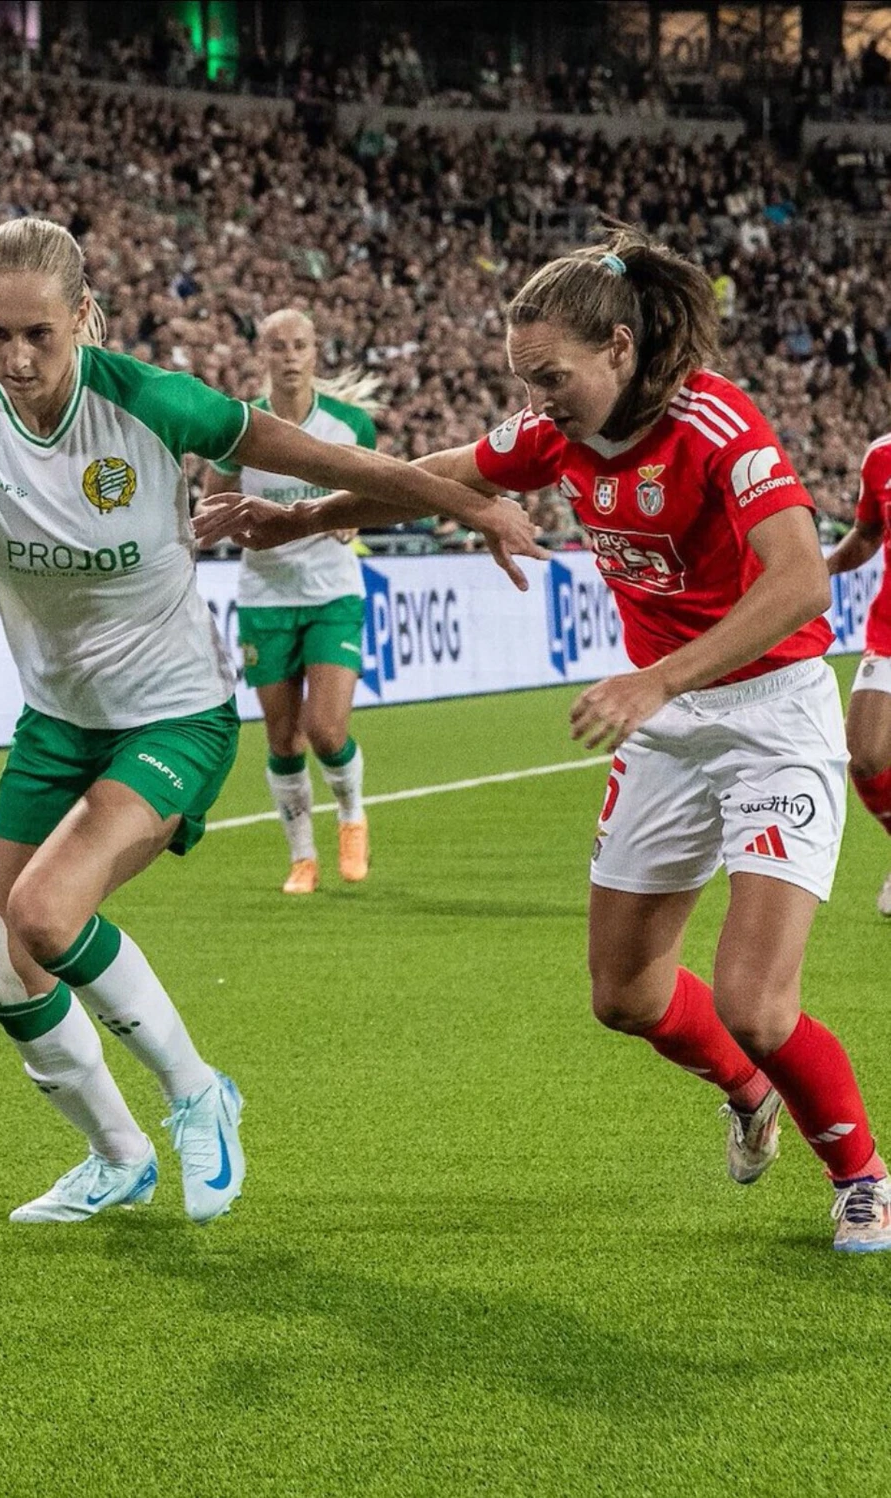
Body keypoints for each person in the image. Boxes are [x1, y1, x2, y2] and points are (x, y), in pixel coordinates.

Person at [0, 217, 543, 1228]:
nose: (17, 359)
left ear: (82, 317)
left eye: (38, 333)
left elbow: (339, 467)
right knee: (6, 969)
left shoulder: (155, 401)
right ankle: (116, 1156)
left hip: (174, 715)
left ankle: (199, 1092)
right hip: (56, 727)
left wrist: (464, 505)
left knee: (43, 914)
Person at [194, 227, 891, 1252]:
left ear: (618, 346)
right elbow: (432, 470)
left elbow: (797, 577)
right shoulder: (557, 436)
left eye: (552, 376)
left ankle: (861, 1172)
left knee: (753, 1000)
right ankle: (748, 1093)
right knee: (625, 995)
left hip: (771, 713)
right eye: (527, 380)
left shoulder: (715, 418)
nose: (540, 400)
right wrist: (303, 520)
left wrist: (657, 676)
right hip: (666, 720)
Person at [201, 309, 379, 895]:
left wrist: (353, 520)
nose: (290, 356)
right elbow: (212, 507)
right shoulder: (241, 427)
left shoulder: (350, 424)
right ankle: (302, 858)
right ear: (263, 354)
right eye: (278, 346)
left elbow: (374, 493)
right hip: (266, 596)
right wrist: (228, 525)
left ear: (316, 351)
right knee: (282, 739)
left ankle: (351, 813)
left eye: (300, 345)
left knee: (325, 730)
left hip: (332, 593)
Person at [827, 434, 891, 915]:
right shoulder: (880, 456)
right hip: (888, 631)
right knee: (864, 755)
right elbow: (868, 533)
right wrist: (821, 566)